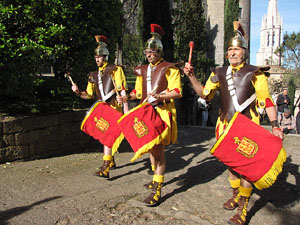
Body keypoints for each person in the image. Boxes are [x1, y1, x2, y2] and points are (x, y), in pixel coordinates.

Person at [183, 21, 283, 225]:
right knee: (230, 164)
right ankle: (236, 193)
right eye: (229, 49)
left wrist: (275, 125)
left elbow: (267, 101)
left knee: (246, 167)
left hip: (248, 126)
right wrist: (192, 77)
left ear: (244, 51)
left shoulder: (256, 73)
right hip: (225, 126)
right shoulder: (218, 72)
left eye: (236, 49)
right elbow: (205, 94)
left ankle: (242, 208)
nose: (232, 52)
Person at [117, 24, 182, 206]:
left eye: (152, 52)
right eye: (147, 52)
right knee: (150, 148)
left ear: (159, 51)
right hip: (145, 113)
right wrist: (126, 97)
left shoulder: (170, 68)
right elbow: (138, 92)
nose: (149, 55)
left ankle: (157, 189)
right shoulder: (143, 70)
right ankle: (156, 178)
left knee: (159, 152)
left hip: (161, 113)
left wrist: (160, 95)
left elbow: (177, 91)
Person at [72, 35, 128, 178]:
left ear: (106, 56)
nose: (97, 59)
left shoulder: (115, 70)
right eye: (96, 57)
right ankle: (111, 160)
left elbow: (121, 89)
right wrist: (78, 92)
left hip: (114, 107)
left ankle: (105, 167)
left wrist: (126, 111)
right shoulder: (93, 75)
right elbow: (89, 94)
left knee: (108, 135)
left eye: (100, 56)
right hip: (101, 109)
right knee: (104, 135)